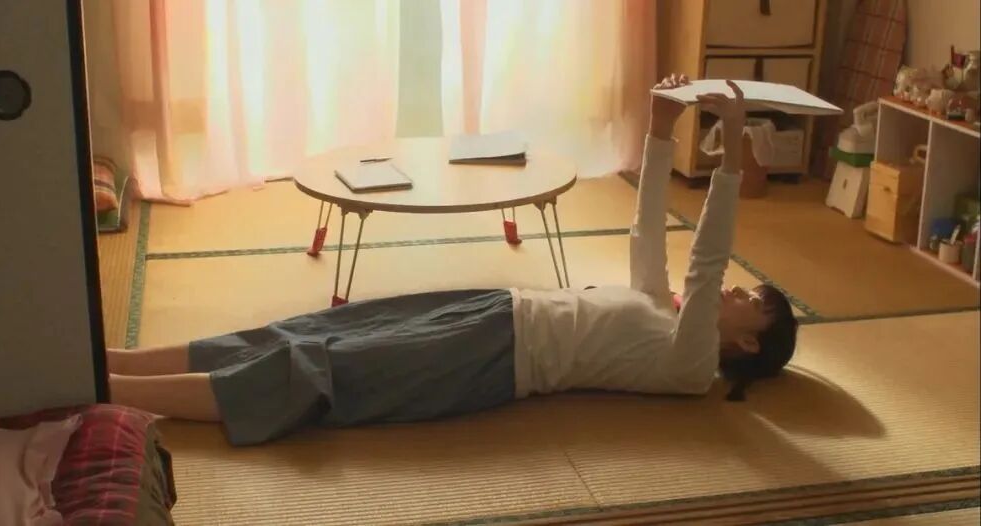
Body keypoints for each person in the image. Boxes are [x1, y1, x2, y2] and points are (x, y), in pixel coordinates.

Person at [107, 74, 798, 446]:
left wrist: (734, 145)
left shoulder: (689, 366)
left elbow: (706, 261)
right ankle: (116, 362)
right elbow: (648, 236)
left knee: (321, 371)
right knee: (311, 330)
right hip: (493, 309)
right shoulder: (665, 312)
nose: (735, 291)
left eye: (750, 301)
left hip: (490, 359)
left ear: (746, 342)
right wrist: (659, 129)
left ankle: (113, 391)